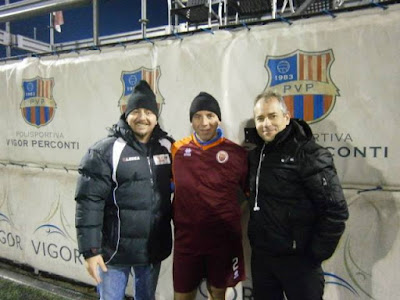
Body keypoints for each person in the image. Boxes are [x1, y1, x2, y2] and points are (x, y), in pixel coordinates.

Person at [75, 80, 173, 300]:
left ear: (156, 117)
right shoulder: (105, 150)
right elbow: (88, 201)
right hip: (113, 254)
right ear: (126, 114)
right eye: (136, 111)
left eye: (148, 111)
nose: (142, 117)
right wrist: (90, 251)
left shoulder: (168, 148)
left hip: (151, 251)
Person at [247, 91, 349, 300]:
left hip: (299, 262)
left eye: (272, 116)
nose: (266, 123)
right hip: (263, 259)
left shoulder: (310, 154)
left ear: (286, 117)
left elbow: (335, 210)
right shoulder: (256, 155)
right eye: (260, 118)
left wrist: (314, 255)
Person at [171, 92, 248, 300]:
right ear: (191, 120)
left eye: (210, 115)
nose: (204, 122)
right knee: (182, 296)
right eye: (198, 116)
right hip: (187, 243)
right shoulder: (177, 150)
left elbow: (249, 194)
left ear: (218, 118)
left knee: (218, 295)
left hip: (222, 243)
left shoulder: (236, 154)